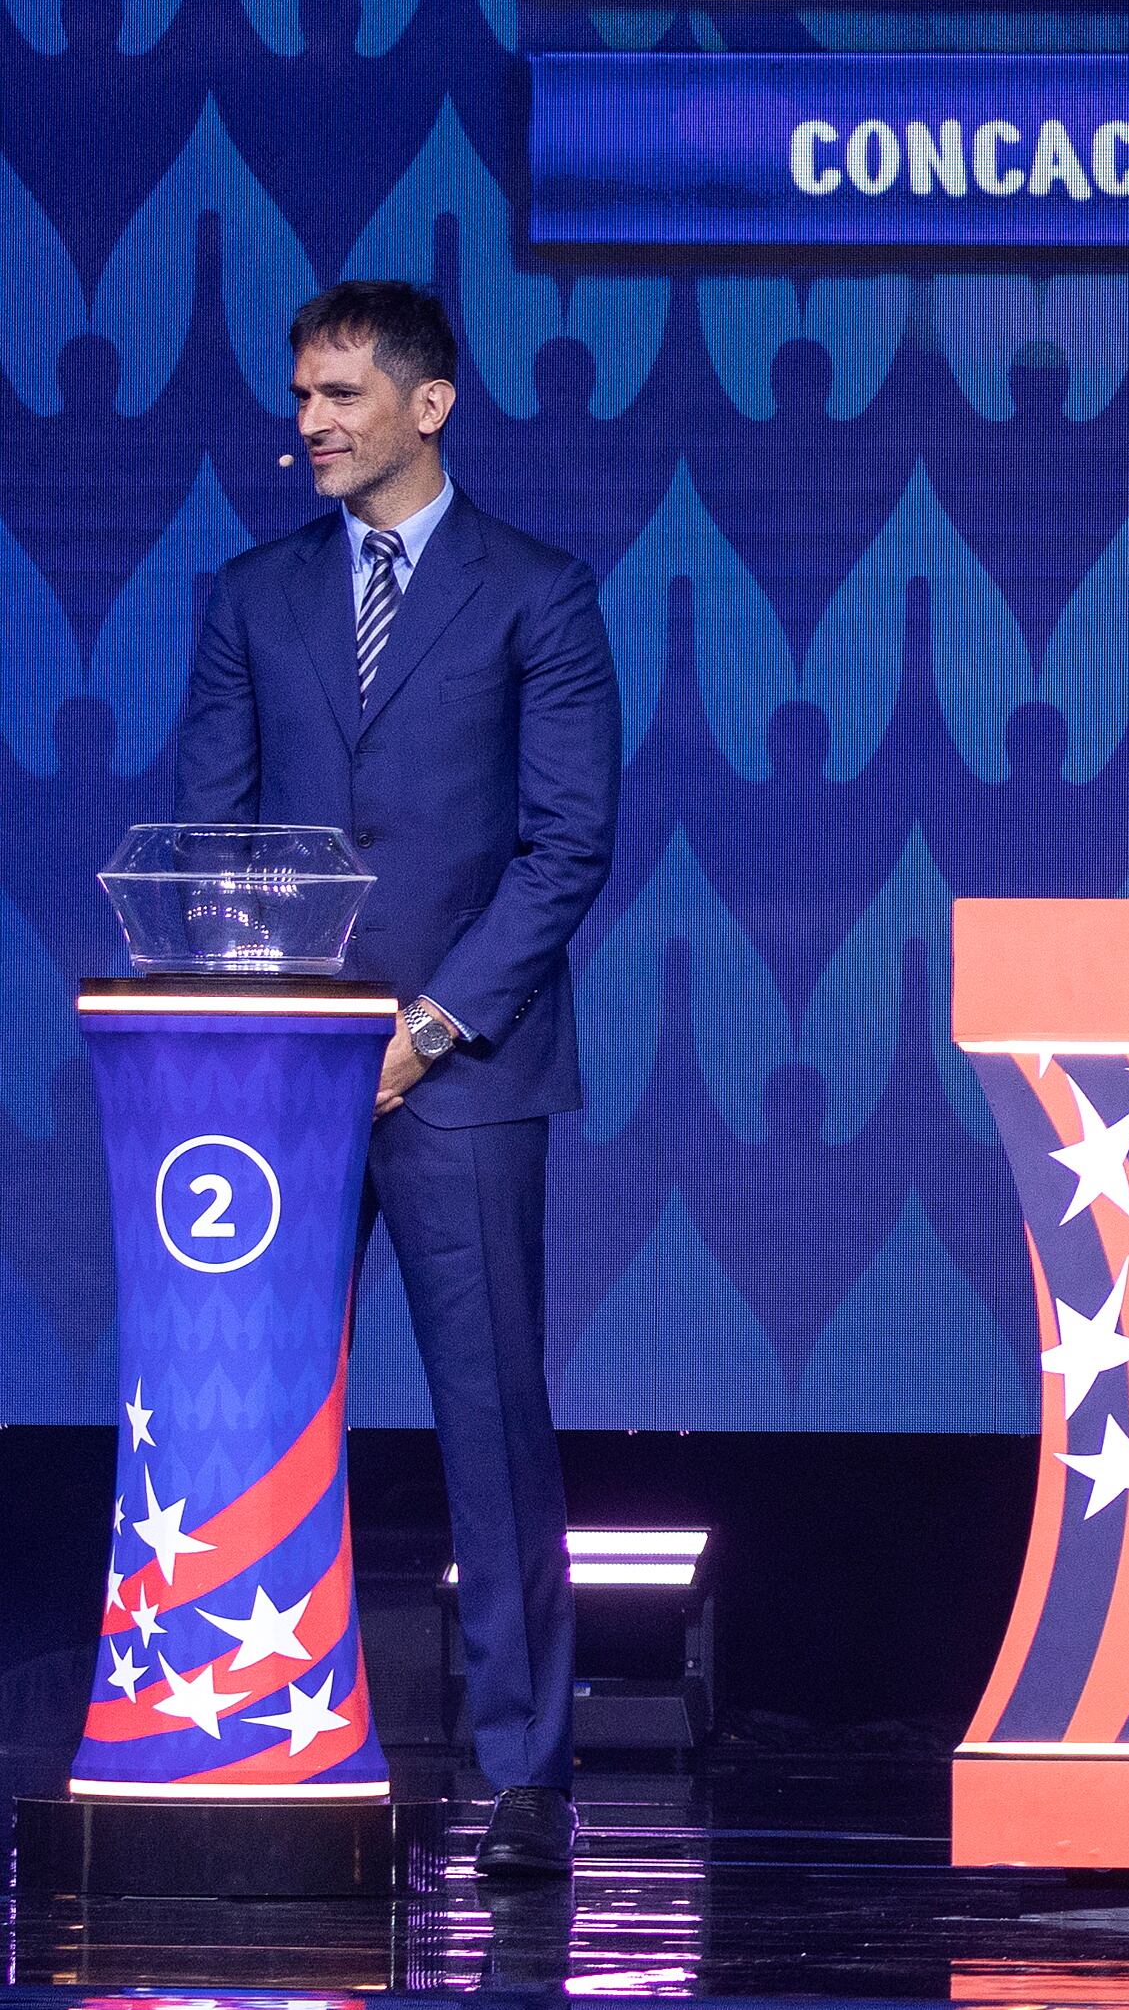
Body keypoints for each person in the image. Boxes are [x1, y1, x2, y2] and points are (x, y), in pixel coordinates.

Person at [175, 280, 615, 1886]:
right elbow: (208, 841)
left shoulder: (538, 596)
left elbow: (567, 847)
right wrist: (273, 1033)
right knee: (260, 1416)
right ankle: (247, 1731)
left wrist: (424, 1032)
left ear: (431, 405)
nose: (311, 424)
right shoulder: (250, 597)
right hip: (281, 1085)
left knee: (491, 1424)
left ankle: (523, 1777)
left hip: (462, 1073)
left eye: (343, 395)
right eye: (300, 395)